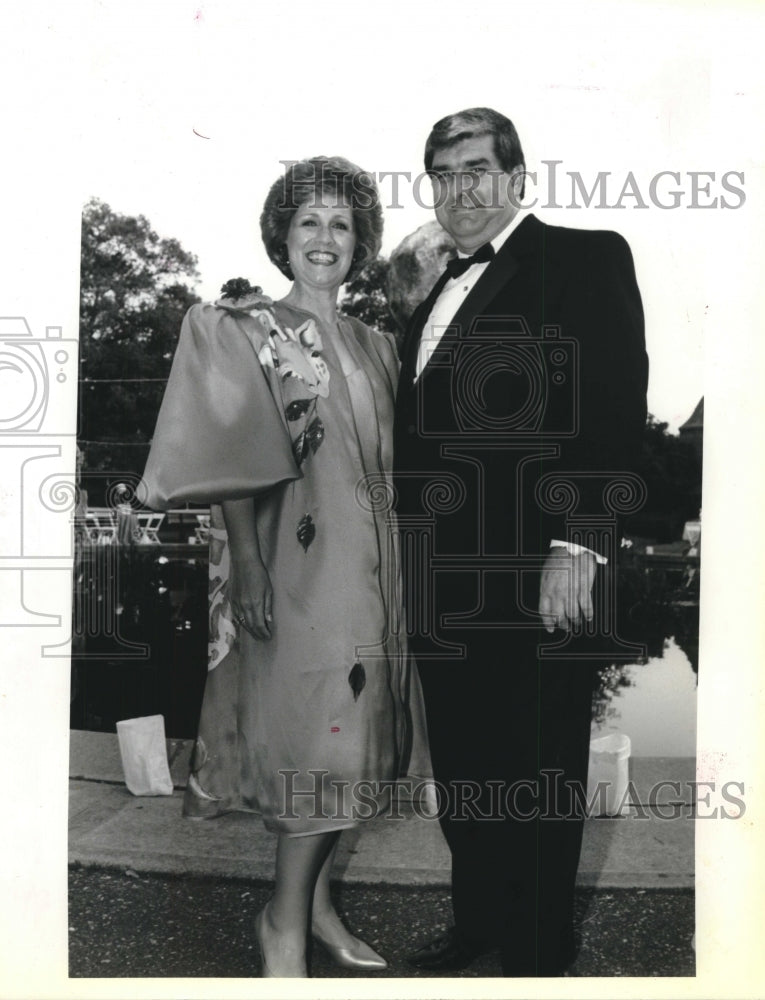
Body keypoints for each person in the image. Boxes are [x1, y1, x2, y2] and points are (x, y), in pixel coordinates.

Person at [143, 156, 427, 977]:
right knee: (316, 742)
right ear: (281, 235)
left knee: (359, 738)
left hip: (376, 572)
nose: (325, 238)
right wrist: (252, 572)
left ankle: (316, 904)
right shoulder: (244, 328)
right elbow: (233, 454)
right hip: (296, 571)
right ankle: (281, 924)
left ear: (360, 240)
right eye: (308, 222)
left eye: (341, 223)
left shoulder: (376, 344)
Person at [393, 108, 648, 976]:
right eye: (441, 173)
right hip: (439, 575)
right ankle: (480, 928)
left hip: (534, 567)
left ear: (515, 178)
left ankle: (536, 959)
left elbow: (611, 407)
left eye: (474, 169)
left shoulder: (583, 257)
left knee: (536, 772)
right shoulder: (428, 289)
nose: (457, 189)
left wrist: (579, 543)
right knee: (466, 770)